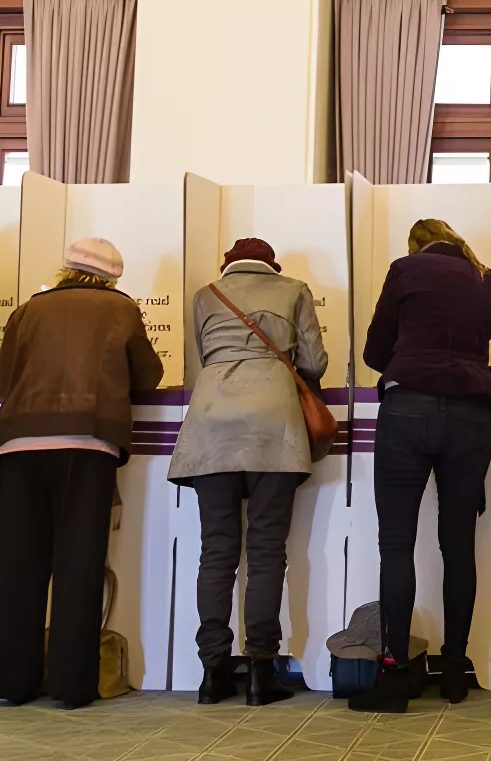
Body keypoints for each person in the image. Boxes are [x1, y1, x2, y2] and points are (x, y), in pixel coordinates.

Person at [349, 220, 491, 713]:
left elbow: (373, 352)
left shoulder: (404, 271)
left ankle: (393, 678)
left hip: (407, 412)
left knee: (396, 544)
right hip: (469, 421)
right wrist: (474, 377)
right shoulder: (487, 281)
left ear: (417, 247)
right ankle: (453, 673)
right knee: (459, 546)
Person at [0, 238, 164, 709]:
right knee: (79, 564)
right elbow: (149, 376)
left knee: (17, 565)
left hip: (22, 443)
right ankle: (70, 685)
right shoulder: (121, 310)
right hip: (89, 440)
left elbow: (2, 381)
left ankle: (12, 681)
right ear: (111, 277)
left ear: (65, 268)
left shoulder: (28, 310)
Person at [169, 238, 329, 706]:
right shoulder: (294, 289)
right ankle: (261, 671)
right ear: (271, 265)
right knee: (265, 551)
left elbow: (203, 356)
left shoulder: (206, 295)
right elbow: (314, 363)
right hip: (273, 427)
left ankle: (213, 672)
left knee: (215, 552)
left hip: (211, 422)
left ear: (229, 265)